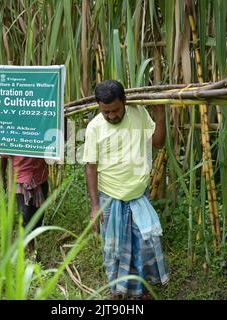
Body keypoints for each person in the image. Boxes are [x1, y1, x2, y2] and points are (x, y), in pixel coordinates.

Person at [83, 80, 169, 300]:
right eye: (106, 112)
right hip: (109, 197)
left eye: (115, 110)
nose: (111, 116)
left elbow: (158, 143)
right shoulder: (94, 127)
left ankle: (142, 291)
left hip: (139, 195)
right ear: (99, 107)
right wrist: (95, 207)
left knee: (144, 245)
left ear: (125, 101)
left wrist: (160, 115)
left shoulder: (138, 113)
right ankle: (117, 290)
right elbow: (91, 166)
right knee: (114, 247)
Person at [0, 155, 49, 255]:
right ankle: (32, 251)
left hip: (40, 177)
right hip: (21, 179)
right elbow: (4, 155)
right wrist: (2, 177)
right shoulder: (13, 138)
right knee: (25, 216)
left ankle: (33, 234)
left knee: (38, 218)